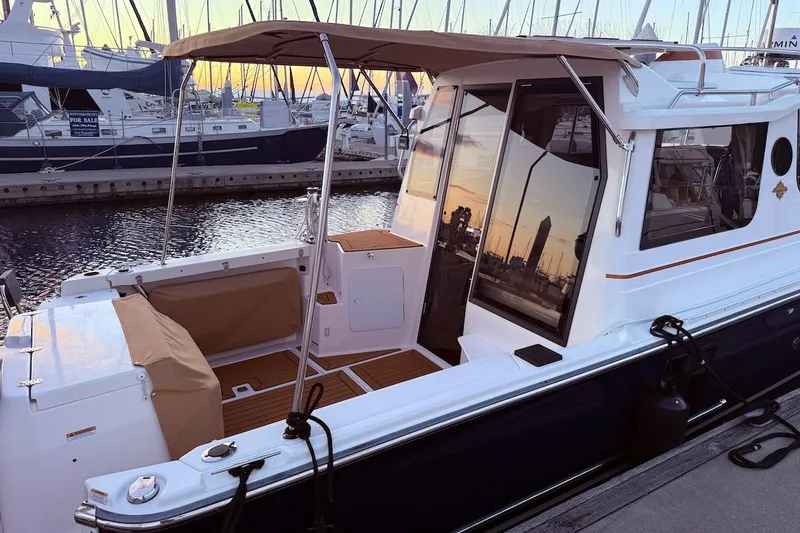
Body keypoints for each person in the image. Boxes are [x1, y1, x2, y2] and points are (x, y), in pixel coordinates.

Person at [715, 146, 741, 228]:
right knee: (741, 216)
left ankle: (731, 231)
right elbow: (735, 182)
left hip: (727, 195)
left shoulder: (719, 168)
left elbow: (717, 184)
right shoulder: (733, 168)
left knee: (728, 217)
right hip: (735, 193)